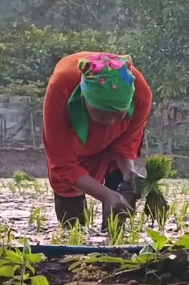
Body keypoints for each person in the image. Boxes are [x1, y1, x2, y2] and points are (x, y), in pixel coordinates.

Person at [41, 52, 153, 230]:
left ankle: (116, 242)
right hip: (75, 144)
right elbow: (61, 163)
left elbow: (126, 140)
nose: (109, 124)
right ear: (85, 99)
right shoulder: (60, 88)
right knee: (72, 223)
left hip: (113, 148)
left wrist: (128, 170)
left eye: (118, 117)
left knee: (121, 192)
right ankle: (75, 237)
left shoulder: (141, 94)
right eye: (103, 116)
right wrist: (105, 195)